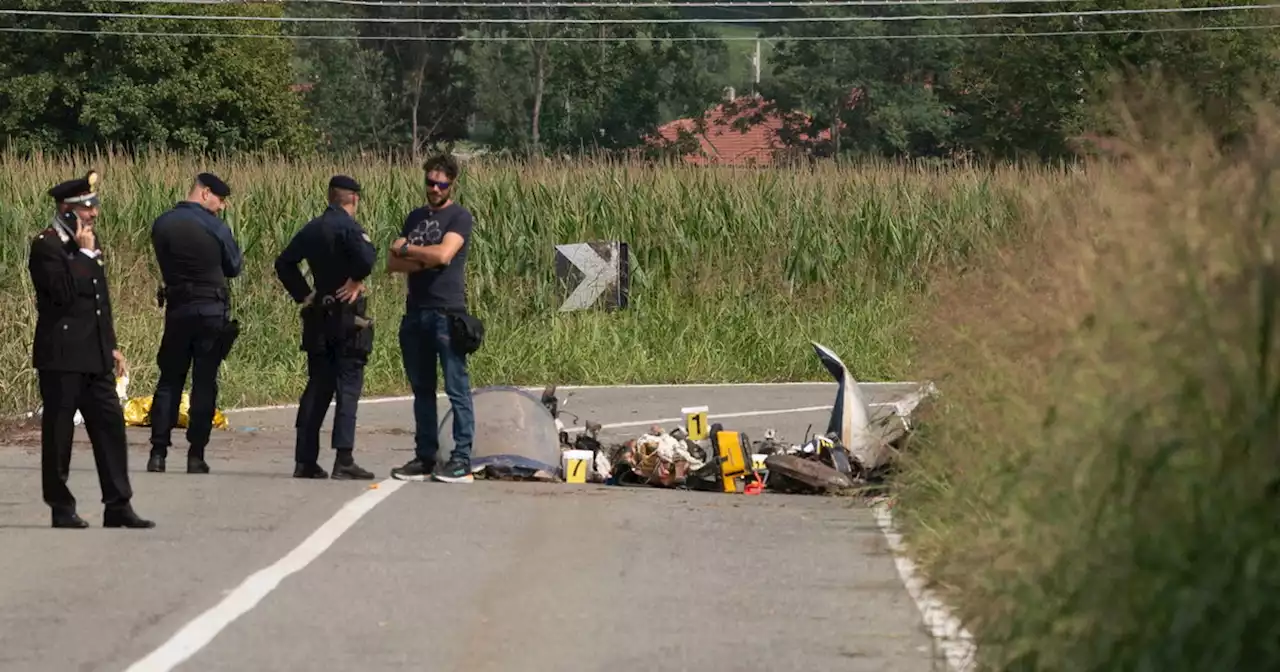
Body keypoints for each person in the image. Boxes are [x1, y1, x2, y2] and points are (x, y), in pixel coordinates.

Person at [28, 170, 154, 529]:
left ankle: (118, 504)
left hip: (94, 355)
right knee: (59, 434)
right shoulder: (47, 245)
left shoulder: (89, 244)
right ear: (67, 209)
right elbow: (62, 296)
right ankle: (61, 506)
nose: (93, 214)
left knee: (110, 428)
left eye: (94, 206)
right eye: (86, 208)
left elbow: (100, 302)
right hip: (63, 356)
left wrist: (110, 346)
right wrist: (83, 256)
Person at [273, 175, 378, 480]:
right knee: (348, 387)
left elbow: (284, 263)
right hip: (347, 316)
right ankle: (343, 460)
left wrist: (305, 294)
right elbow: (367, 259)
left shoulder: (313, 228)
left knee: (317, 387)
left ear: (330, 196)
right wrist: (356, 280)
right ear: (353, 199)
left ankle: (304, 460)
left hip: (319, 314)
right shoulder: (350, 228)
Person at [388, 154, 477, 484]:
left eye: (441, 183)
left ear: (451, 184)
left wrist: (409, 250)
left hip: (446, 311)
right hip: (415, 312)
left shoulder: (459, 217)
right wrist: (421, 257)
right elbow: (392, 265)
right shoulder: (414, 217)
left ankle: (462, 457)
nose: (435, 188)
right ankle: (425, 455)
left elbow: (444, 254)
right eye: (430, 182)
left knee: (456, 387)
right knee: (421, 389)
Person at [146, 172, 243, 475]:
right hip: (210, 311)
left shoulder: (162, 223)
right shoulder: (215, 226)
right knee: (204, 383)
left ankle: (158, 453)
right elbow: (234, 267)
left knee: (169, 380)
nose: (222, 206)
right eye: (220, 199)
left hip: (177, 309)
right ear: (204, 193)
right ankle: (196, 454)